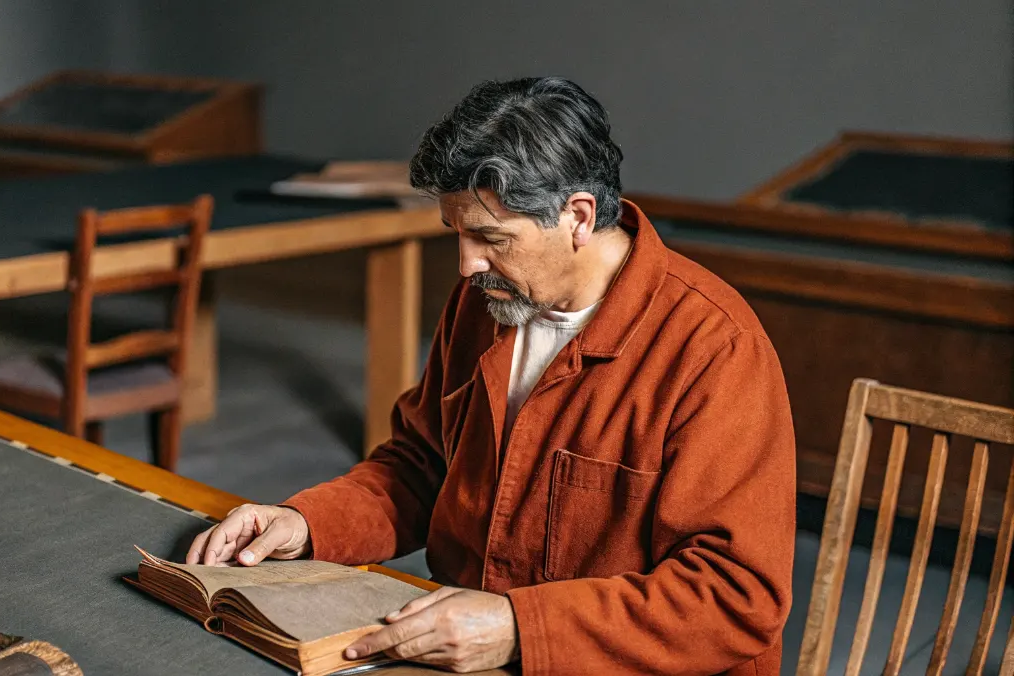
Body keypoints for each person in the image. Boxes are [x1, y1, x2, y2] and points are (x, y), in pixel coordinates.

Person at [188, 77, 796, 675]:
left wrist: (517, 629)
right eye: (457, 233)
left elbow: (734, 596)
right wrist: (307, 523)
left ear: (578, 216)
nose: (467, 264)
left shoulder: (714, 348)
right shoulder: (487, 301)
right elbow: (422, 466)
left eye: (490, 237)